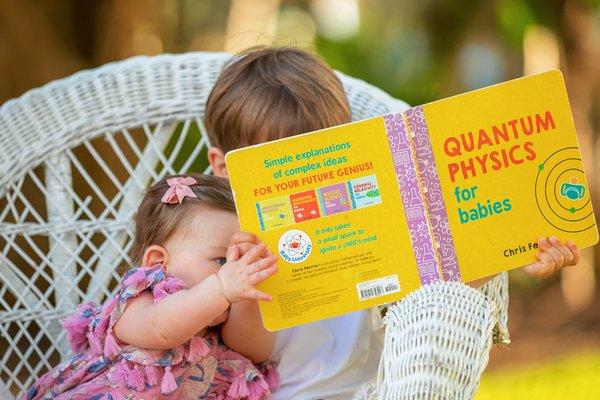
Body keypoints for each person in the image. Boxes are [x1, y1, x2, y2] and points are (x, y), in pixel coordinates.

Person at [204, 45, 581, 399]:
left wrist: (521, 246)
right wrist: (243, 284)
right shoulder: (220, 246)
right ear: (223, 168)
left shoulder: (370, 219)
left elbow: (440, 286)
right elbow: (245, 347)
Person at [24, 174, 280, 399]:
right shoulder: (138, 301)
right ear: (159, 263)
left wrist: (245, 293)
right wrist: (223, 286)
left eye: (237, 260)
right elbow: (163, 330)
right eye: (222, 260)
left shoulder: (218, 311)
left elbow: (254, 350)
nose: (232, 270)